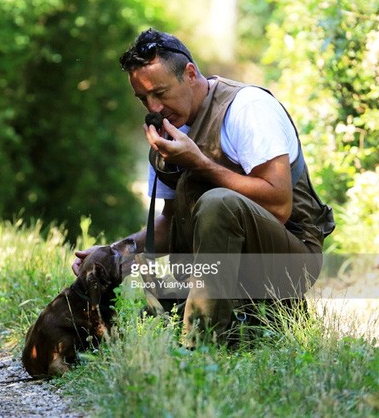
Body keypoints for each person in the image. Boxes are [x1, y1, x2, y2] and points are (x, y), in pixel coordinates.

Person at [72, 28, 334, 346]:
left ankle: (201, 346)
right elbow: (169, 223)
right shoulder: (167, 134)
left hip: (289, 264)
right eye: (143, 98)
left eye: (160, 92)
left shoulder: (246, 109)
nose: (153, 108)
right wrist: (115, 253)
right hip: (217, 268)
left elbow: (279, 205)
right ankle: (245, 321)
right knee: (140, 311)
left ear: (190, 74)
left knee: (218, 202)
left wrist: (200, 163)